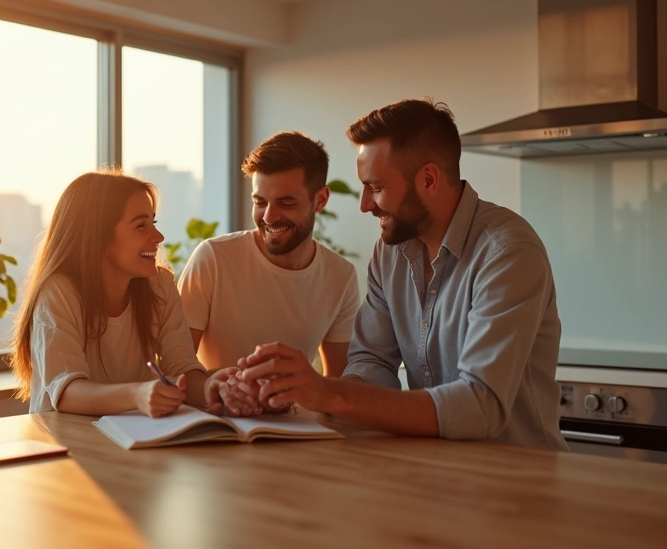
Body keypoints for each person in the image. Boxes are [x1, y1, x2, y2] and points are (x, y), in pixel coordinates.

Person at [238, 99, 567, 450]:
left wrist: (329, 392)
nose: (365, 204)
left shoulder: (508, 252)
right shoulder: (390, 250)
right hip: (439, 472)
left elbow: (480, 407)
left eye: (376, 188)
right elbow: (372, 361)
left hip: (522, 480)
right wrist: (302, 396)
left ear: (428, 179)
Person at [10, 170, 236, 417]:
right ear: (101, 238)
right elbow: (66, 393)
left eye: (154, 223)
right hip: (69, 442)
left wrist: (210, 387)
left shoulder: (159, 284)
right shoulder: (58, 292)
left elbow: (182, 367)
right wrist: (137, 395)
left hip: (135, 441)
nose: (158, 237)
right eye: (141, 226)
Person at [178, 132, 360, 415]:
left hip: (293, 430)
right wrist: (215, 383)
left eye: (286, 203)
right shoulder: (213, 258)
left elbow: (337, 385)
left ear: (320, 200)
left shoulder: (341, 276)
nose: (268, 217)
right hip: (216, 427)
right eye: (260, 201)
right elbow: (175, 367)